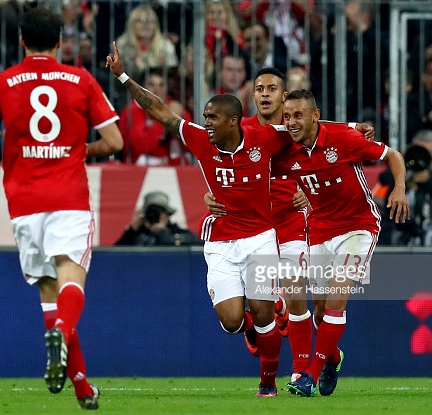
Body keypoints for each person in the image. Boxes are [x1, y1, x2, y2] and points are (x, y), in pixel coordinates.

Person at [0, 7, 124, 410]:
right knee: (71, 281)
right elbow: (115, 141)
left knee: (50, 291)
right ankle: (62, 333)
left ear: (20, 41)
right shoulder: (80, 80)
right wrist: (84, 149)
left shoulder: (2, 82)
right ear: (61, 41)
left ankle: (83, 389)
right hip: (67, 196)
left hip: (24, 203)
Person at [107, 41, 294, 397]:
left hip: (260, 236)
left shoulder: (265, 139)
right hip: (221, 240)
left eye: (212, 118)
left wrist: (352, 128)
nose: (205, 123)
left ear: (234, 121)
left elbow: (307, 131)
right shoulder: (199, 140)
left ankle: (268, 385)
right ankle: (257, 320)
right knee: (232, 322)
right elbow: (159, 110)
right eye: (205, 117)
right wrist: (123, 76)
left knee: (265, 313)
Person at [204, 67, 376, 384]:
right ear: (252, 96)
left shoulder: (295, 128)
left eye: (272, 88)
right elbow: (214, 165)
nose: (265, 93)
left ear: (284, 97)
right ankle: (261, 321)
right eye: (259, 88)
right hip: (251, 228)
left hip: (290, 220)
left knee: (298, 297)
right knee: (262, 308)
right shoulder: (238, 131)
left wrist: (353, 127)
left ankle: (299, 369)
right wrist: (209, 195)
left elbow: (325, 134)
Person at [278, 89, 408, 397]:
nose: (292, 122)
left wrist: (399, 188)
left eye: (299, 115)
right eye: (288, 116)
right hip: (320, 231)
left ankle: (308, 375)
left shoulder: (344, 140)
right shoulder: (283, 147)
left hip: (357, 228)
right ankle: (332, 359)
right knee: (321, 315)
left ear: (315, 115)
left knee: (337, 299)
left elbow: (393, 155)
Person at [119, 68, 193, 165]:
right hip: (139, 171)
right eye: (151, 85)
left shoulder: (174, 108)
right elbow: (140, 146)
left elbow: (192, 144)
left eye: (161, 85)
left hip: (174, 170)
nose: (157, 91)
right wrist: (166, 119)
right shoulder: (133, 110)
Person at [115, 191, 201, 246]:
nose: (154, 215)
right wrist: (132, 230)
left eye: (159, 211)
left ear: (167, 215)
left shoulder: (177, 232)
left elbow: (198, 244)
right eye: (151, 211)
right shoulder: (134, 235)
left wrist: (163, 232)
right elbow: (114, 256)